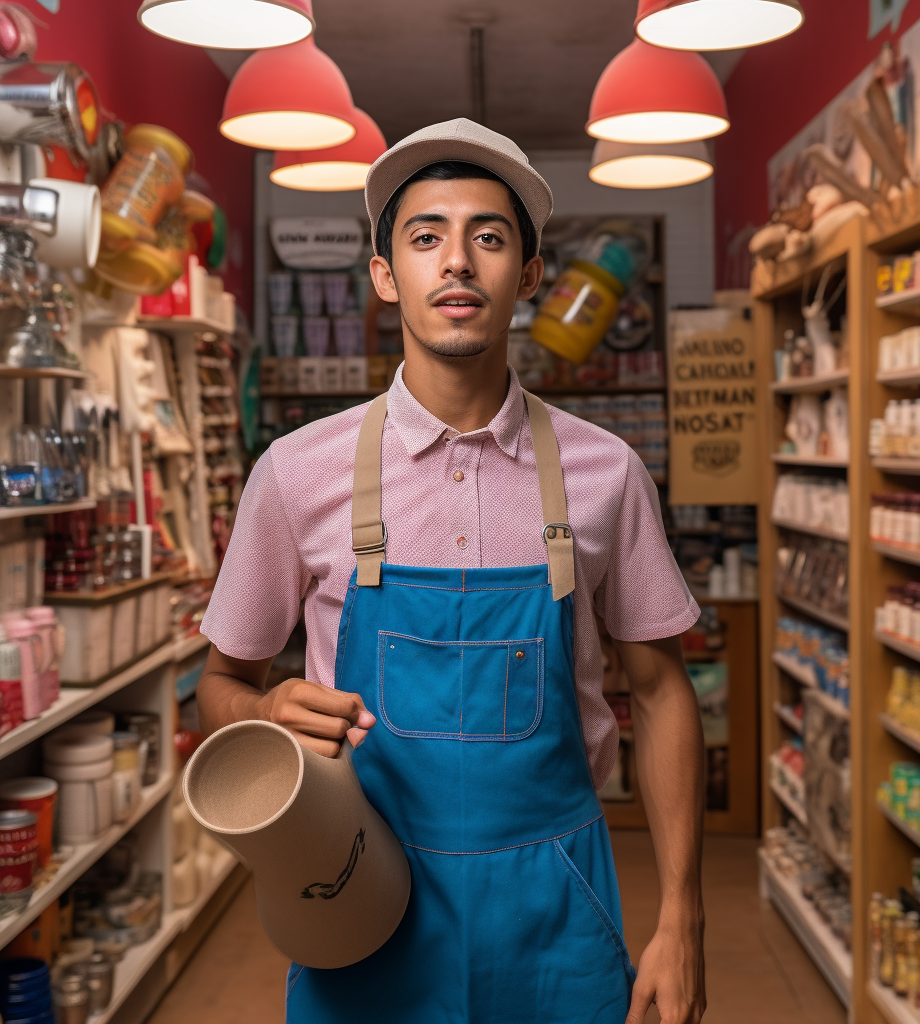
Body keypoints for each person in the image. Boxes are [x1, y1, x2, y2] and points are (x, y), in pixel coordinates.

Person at [197, 118, 706, 1024]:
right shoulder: (295, 473)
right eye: (425, 236)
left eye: (490, 236)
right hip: (356, 888)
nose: (458, 262)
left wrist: (682, 917)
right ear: (387, 274)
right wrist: (265, 710)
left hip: (555, 911)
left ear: (531, 273)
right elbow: (221, 684)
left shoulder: (606, 473)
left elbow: (664, 692)